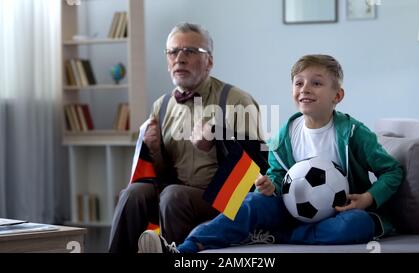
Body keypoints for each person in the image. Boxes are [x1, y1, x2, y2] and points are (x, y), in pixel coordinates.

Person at [137, 54, 404, 253]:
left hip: (340, 212)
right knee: (252, 202)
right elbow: (277, 174)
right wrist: (270, 184)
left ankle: (278, 235)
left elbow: (392, 171)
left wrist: (369, 198)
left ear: (338, 95)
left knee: (356, 224)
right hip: (291, 210)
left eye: (317, 83)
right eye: (298, 83)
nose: (305, 89)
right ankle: (183, 248)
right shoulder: (285, 133)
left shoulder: (354, 133)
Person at [108, 22, 264, 253]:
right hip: (174, 194)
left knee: (173, 195)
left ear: (209, 61)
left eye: (190, 51)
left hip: (220, 199)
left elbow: (254, 168)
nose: (179, 58)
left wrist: (219, 138)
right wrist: (155, 150)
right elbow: (160, 174)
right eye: (173, 51)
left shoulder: (237, 100)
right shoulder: (161, 106)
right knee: (133, 194)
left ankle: (181, 255)